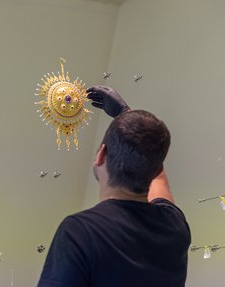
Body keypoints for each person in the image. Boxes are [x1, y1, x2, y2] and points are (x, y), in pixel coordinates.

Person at [37, 86, 191, 287]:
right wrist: (125, 114)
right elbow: (159, 177)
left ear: (101, 154)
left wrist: (123, 115)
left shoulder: (81, 232)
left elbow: (157, 173)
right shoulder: (174, 226)